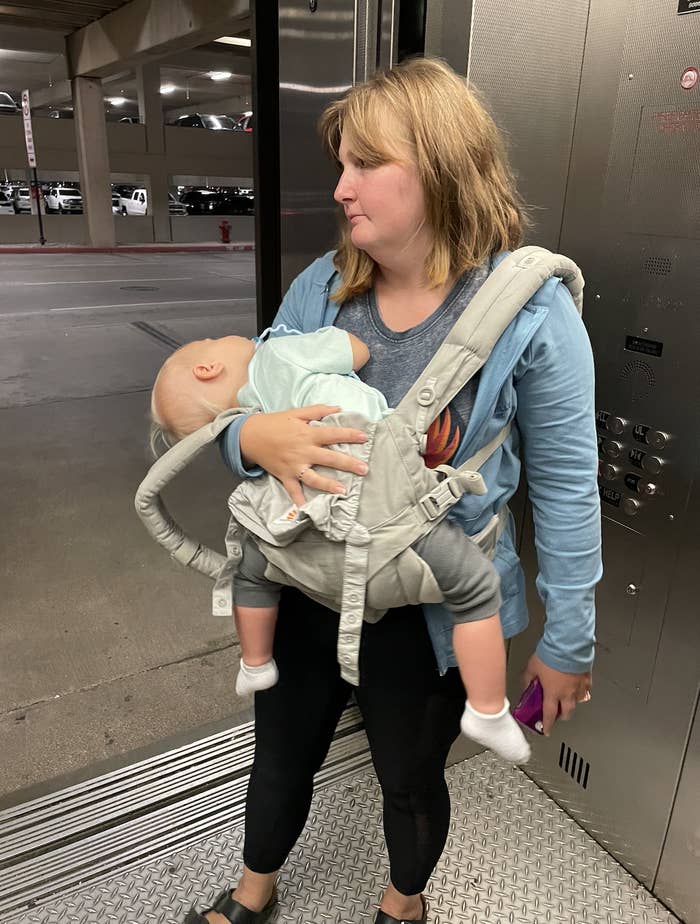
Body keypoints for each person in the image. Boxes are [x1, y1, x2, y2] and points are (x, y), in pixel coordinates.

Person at [183, 56, 601, 924]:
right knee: (282, 747)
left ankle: (402, 904)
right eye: (341, 164)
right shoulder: (323, 290)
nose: (342, 188)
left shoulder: (528, 310)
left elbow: (565, 485)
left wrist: (568, 638)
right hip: (304, 573)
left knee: (409, 778)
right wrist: (243, 438)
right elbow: (239, 401)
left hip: (431, 604)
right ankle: (254, 891)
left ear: (443, 166)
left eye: (366, 163)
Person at [150, 325, 531, 764]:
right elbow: (355, 349)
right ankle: (487, 709)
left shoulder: (253, 410)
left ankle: (255, 662)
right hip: (379, 495)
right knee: (476, 586)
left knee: (251, 572)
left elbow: (240, 445)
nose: (241, 337)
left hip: (307, 516)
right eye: (212, 338)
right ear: (207, 366)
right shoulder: (277, 354)